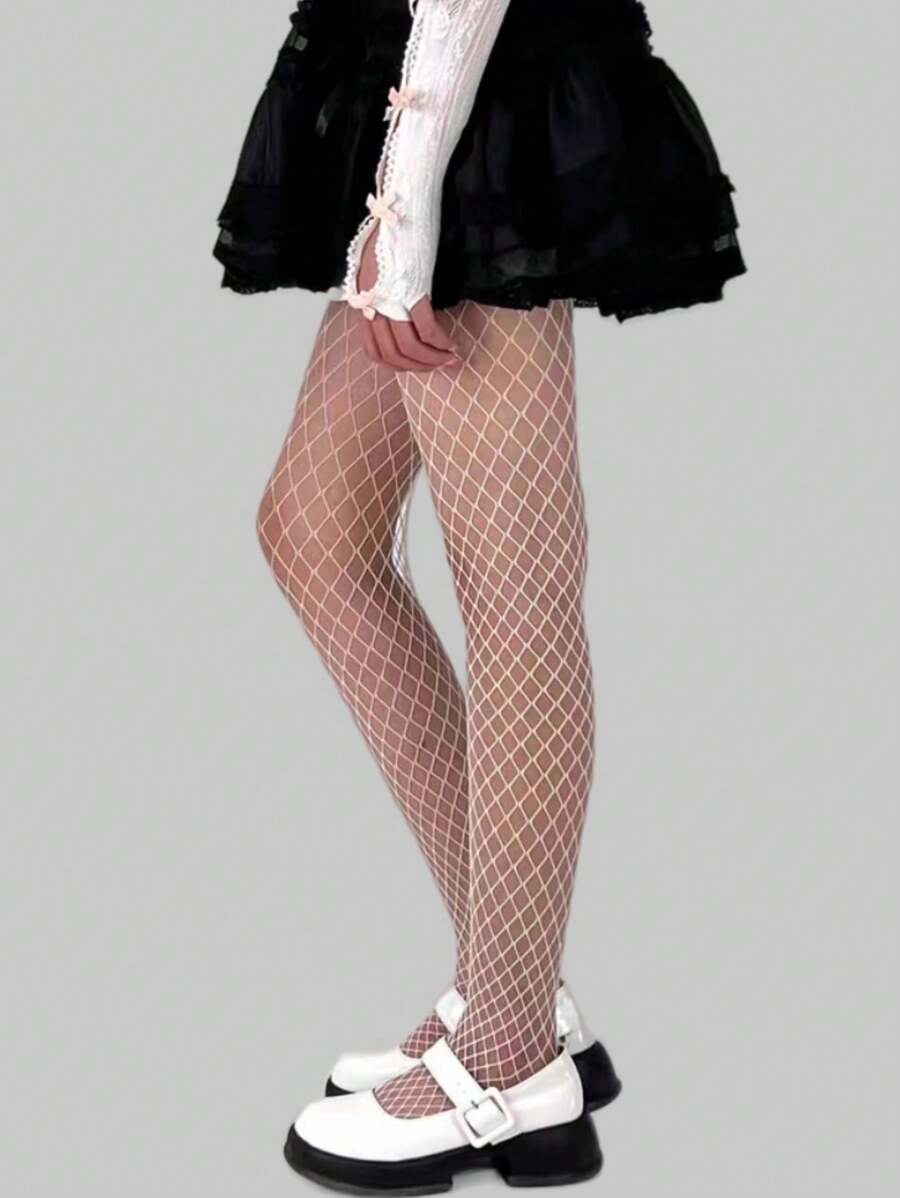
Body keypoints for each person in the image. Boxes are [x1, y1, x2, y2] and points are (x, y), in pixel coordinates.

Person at [213, 0, 745, 1189]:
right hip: (407, 70)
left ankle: (510, 1056)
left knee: (515, 585)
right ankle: (518, 989)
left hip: (474, 87)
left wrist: (405, 216)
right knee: (313, 533)